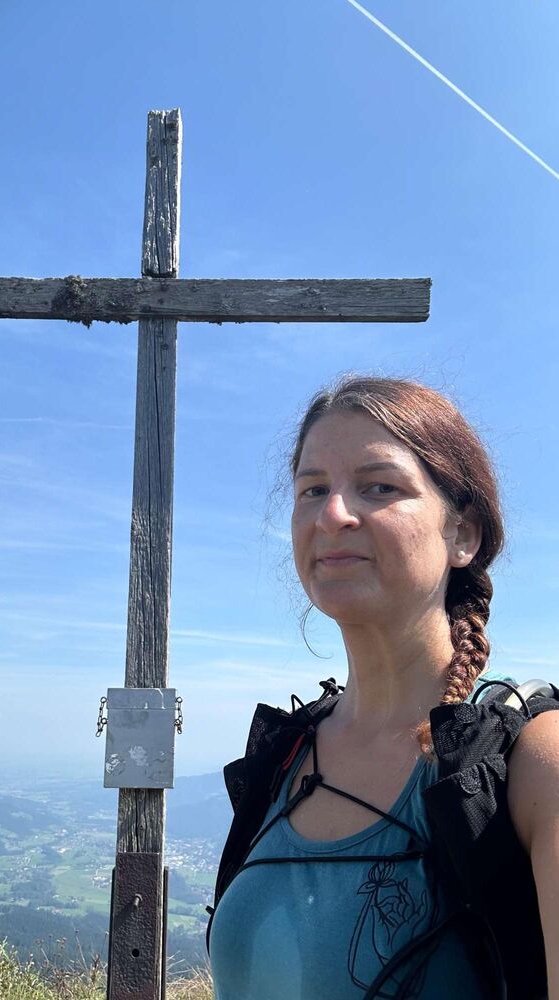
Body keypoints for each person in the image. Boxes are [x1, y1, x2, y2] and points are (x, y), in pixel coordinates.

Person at [208, 375, 559, 999]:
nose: (333, 515)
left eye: (380, 487)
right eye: (313, 489)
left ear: (463, 534)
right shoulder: (282, 755)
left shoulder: (531, 762)